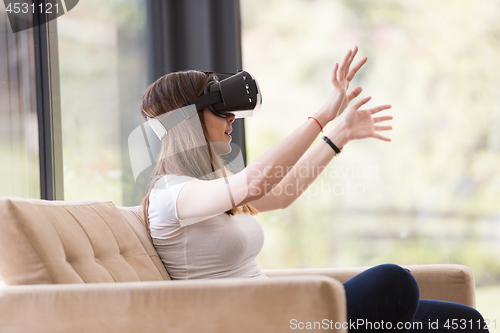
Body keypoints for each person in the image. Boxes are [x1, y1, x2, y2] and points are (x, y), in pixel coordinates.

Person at [139, 47, 490, 332]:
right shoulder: (170, 195)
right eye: (220, 108)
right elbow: (257, 180)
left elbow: (283, 192)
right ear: (187, 120)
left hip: (286, 313)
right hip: (266, 324)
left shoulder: (210, 188)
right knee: (394, 282)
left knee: (464, 322)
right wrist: (322, 114)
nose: (231, 117)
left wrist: (341, 133)